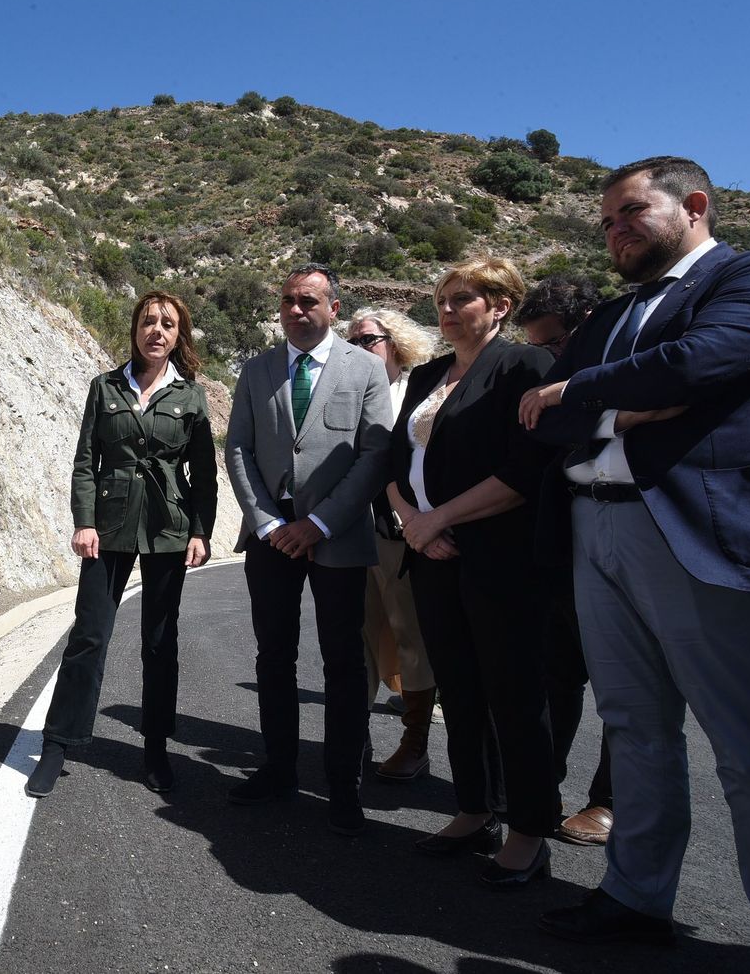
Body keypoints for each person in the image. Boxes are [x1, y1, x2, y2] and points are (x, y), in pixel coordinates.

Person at [519, 157, 750, 969]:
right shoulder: (610, 315)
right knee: (634, 729)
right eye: (606, 223)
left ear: (693, 205)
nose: (615, 232)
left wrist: (585, 393)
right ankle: (636, 897)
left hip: (703, 537)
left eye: (630, 212)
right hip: (597, 531)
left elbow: (698, 362)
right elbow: (542, 418)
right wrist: (619, 404)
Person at [387, 258, 559, 886]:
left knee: (513, 694)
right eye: (442, 300)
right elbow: (393, 460)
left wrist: (440, 519)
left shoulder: (524, 366)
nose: (448, 310)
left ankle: (530, 829)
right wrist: (413, 521)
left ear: (500, 306)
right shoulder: (428, 374)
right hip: (430, 555)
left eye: (463, 299)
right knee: (458, 688)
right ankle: (474, 808)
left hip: (498, 557)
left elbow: (525, 469)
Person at [26, 292, 218, 797]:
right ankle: (57, 744)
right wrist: (84, 521)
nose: (157, 331)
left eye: (168, 324)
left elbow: (204, 473)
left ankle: (155, 748)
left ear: (178, 336)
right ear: (135, 329)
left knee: (159, 642)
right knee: (89, 636)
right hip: (108, 527)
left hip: (168, 527)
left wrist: (201, 530)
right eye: (148, 321)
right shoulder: (105, 386)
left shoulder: (191, 396)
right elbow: (85, 460)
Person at [224, 265, 391, 836]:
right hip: (272, 536)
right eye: (288, 301)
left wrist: (319, 524)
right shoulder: (258, 370)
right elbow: (239, 450)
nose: (296, 310)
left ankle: (343, 785)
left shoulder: (365, 369)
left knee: (343, 663)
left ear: (333, 308)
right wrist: (269, 522)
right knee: (274, 656)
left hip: (337, 535)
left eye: (309, 301)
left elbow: (375, 455)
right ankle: (279, 770)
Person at [515, 275, 616, 847]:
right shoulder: (544, 381)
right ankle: (542, 785)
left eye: (554, 344)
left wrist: (566, 402)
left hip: (620, 535)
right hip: (558, 547)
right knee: (556, 675)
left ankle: (610, 800)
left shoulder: (620, 365)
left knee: (624, 684)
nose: (546, 360)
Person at [345, 308, 438, 783]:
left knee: (410, 637)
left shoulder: (419, 394)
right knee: (355, 638)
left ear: (396, 344)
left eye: (368, 340)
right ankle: (353, 737)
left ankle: (413, 744)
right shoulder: (346, 392)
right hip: (350, 533)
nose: (359, 349)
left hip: (402, 536)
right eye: (352, 341)